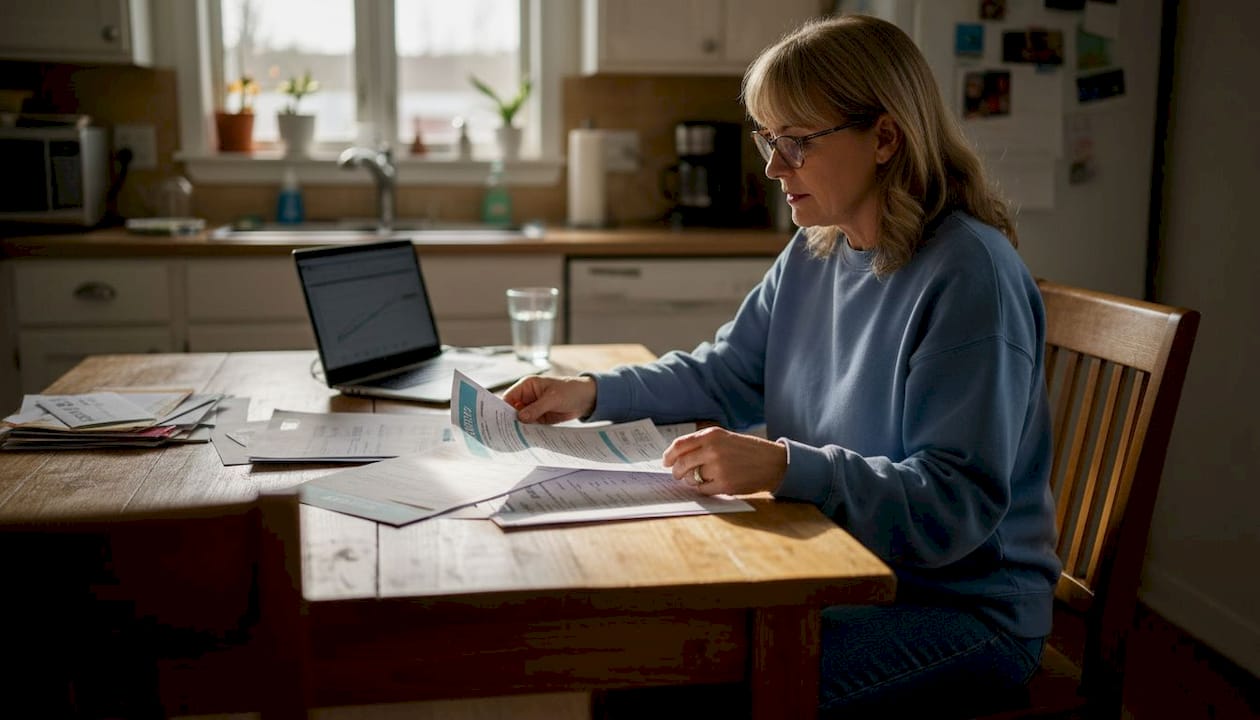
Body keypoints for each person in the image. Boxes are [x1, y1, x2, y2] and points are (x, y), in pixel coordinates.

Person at [504, 14, 1060, 719]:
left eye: (796, 142)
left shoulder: (969, 274)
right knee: (643, 665)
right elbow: (726, 374)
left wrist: (783, 466)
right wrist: (588, 392)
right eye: (768, 139)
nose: (773, 167)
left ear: (885, 138)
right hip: (835, 564)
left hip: (962, 610)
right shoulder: (817, 248)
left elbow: (954, 505)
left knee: (684, 696)